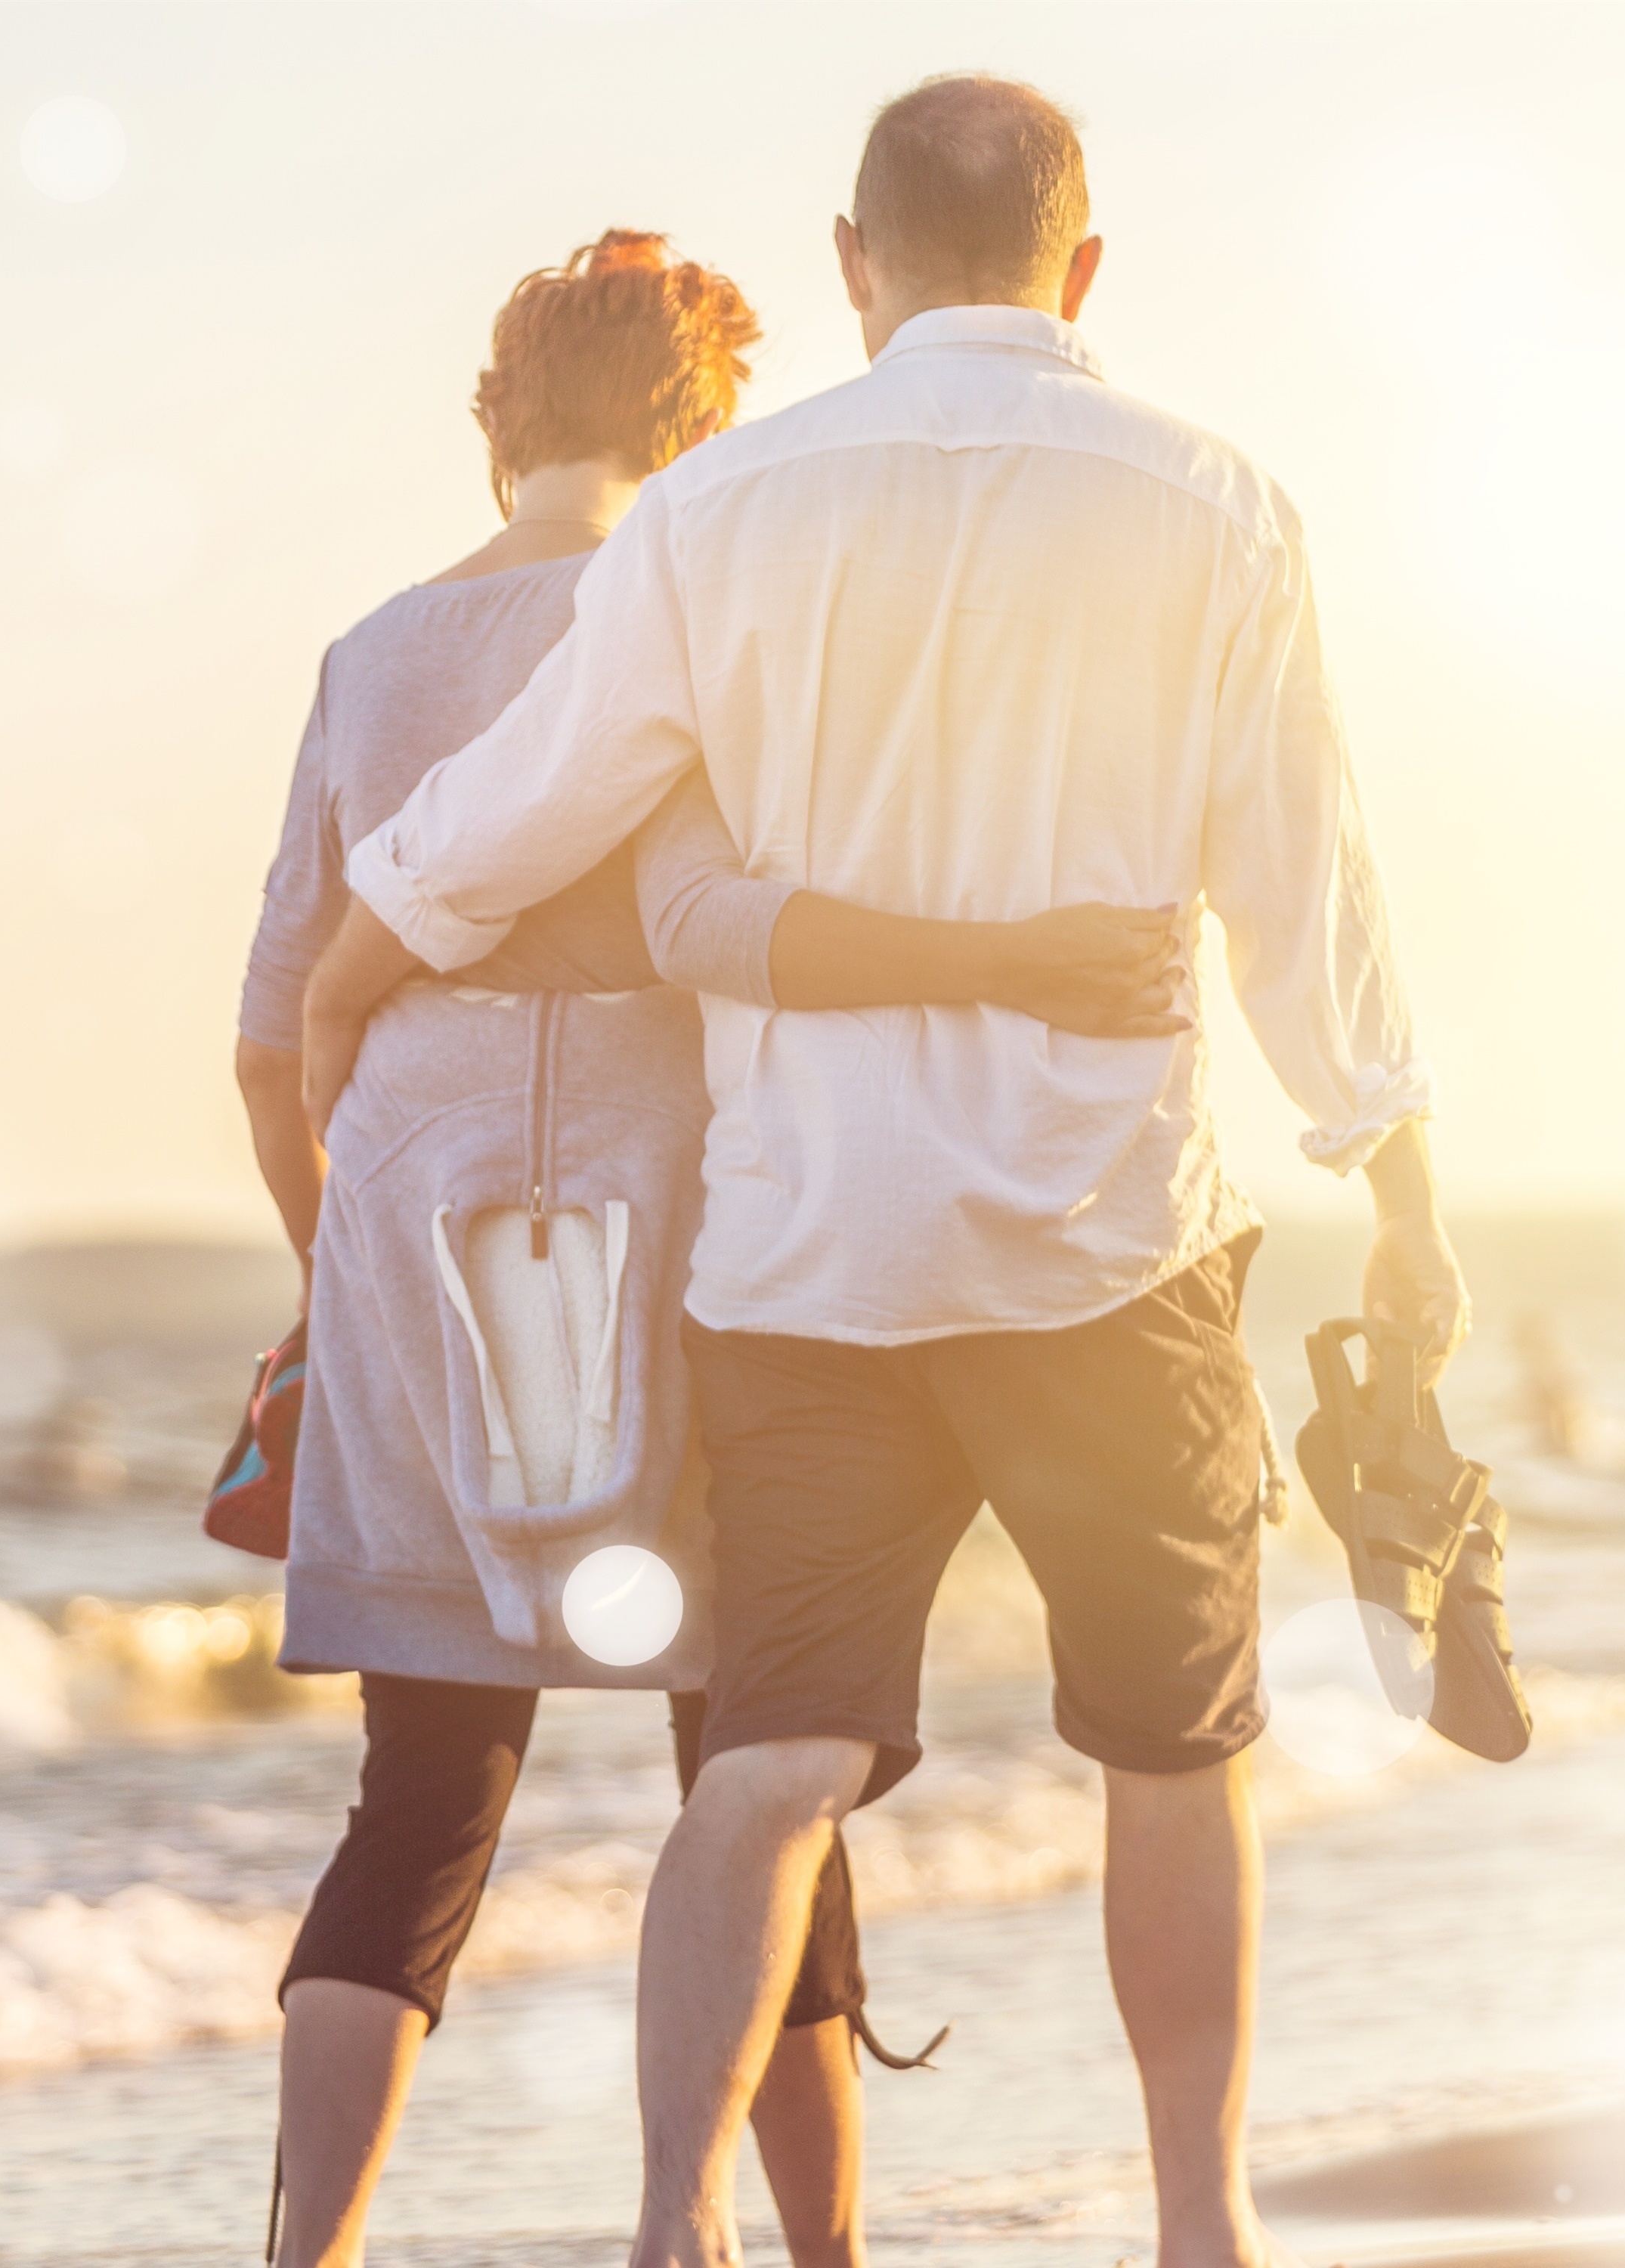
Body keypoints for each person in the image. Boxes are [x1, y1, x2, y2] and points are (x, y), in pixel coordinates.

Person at [302, 78, 1467, 2268]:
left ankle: (673, 2230)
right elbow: (1307, 886)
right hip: (1107, 1244)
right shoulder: (1217, 504)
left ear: (854, 262)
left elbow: (527, 810)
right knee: (1169, 1742)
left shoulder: (717, 515)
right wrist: (1393, 1173)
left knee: (775, 1756)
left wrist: (368, 957)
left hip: (808, 1257)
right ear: (1087, 268)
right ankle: (1201, 2227)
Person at [233, 228, 1185, 2268]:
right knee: (753, 1746)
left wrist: (338, 1292)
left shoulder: (371, 656)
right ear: (707, 418)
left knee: (423, 1795)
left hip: (416, 1191)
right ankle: (813, 2250)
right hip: (680, 1190)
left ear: (500, 418)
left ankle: (299, 2255)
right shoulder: (724, 608)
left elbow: (267, 1045)